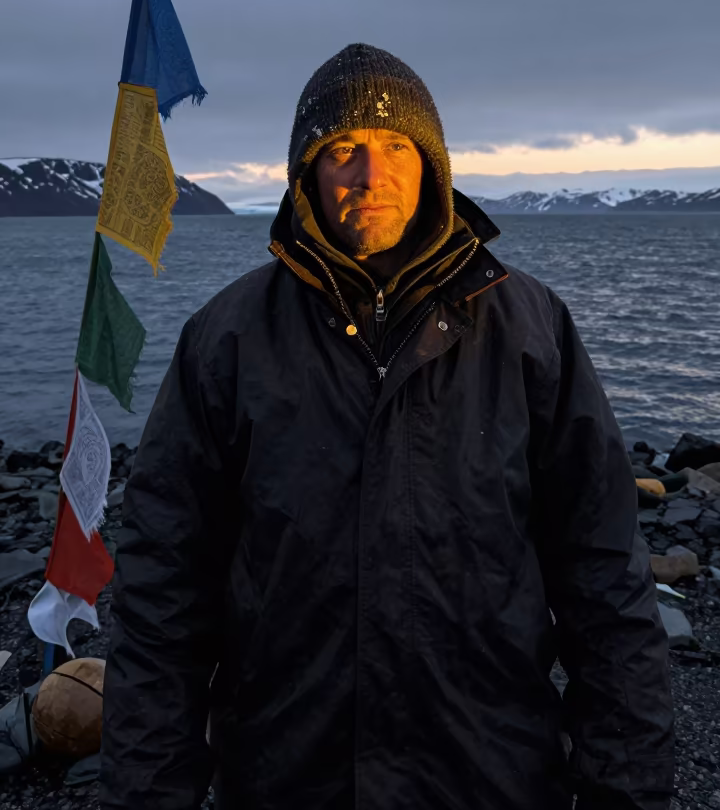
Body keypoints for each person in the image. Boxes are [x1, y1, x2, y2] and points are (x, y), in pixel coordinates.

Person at [99, 43, 675, 810]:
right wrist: (147, 789)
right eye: (344, 149)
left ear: (432, 166)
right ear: (305, 172)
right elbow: (163, 587)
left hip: (488, 775)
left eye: (397, 147)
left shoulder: (529, 330)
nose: (372, 175)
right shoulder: (227, 340)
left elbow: (604, 573)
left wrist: (626, 785)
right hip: (288, 775)